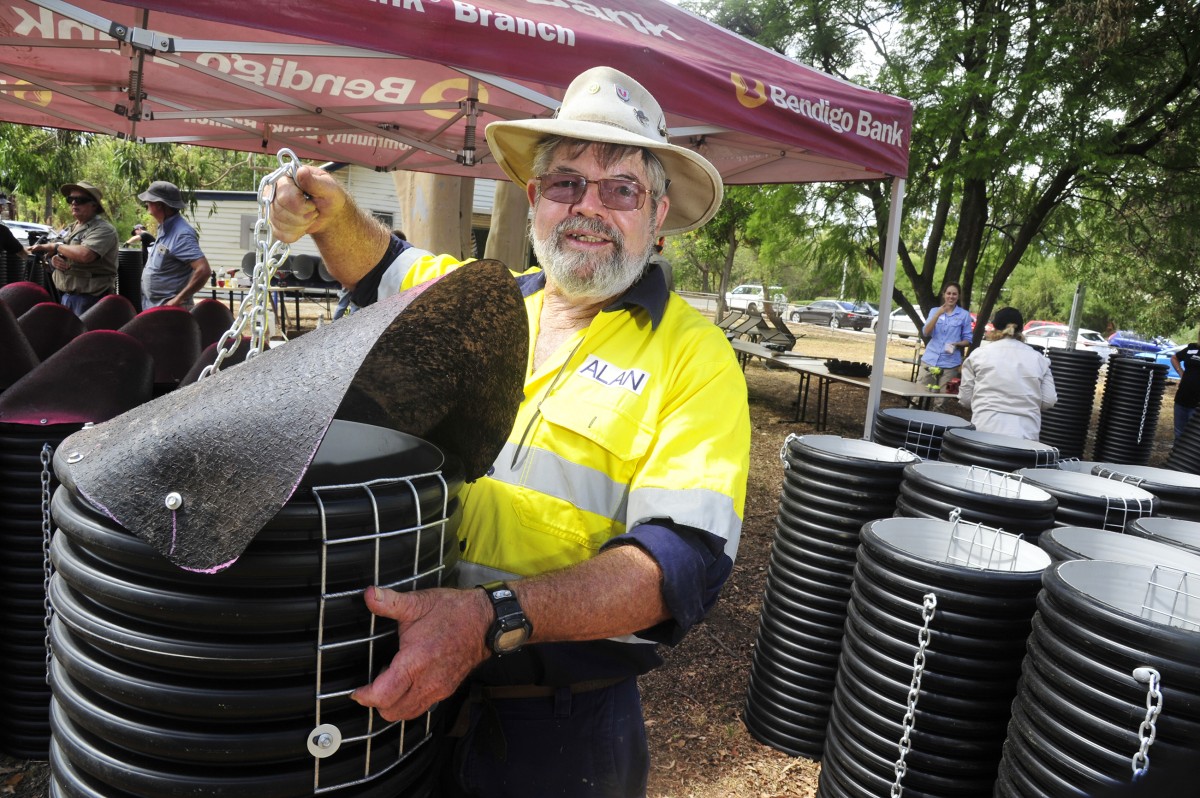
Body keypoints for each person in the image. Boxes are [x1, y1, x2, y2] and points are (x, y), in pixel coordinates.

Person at [269, 65, 749, 797]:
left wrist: (488, 620)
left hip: (558, 730)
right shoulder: (485, 303)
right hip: (405, 689)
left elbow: (679, 562)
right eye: (565, 184)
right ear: (534, 201)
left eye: (620, 189)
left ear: (656, 216)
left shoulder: (695, 356)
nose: (588, 207)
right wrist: (328, 212)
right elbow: (384, 269)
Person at [958, 306, 1057, 439]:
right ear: (1021, 330)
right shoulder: (1039, 360)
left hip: (983, 431)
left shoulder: (978, 355)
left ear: (994, 328)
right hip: (1026, 436)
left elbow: (965, 398)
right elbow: (1049, 400)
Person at [27, 181, 118, 316]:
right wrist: (53, 259)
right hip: (67, 297)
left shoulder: (103, 229)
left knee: (87, 337)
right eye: (71, 199)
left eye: (80, 200)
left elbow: (85, 255)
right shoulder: (71, 227)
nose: (74, 203)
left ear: (94, 205)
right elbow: (54, 251)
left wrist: (56, 247)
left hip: (92, 300)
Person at [136, 181, 212, 309]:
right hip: (157, 309)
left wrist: (177, 300)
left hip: (170, 313)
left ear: (160, 204)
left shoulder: (181, 234)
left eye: (149, 200)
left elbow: (203, 270)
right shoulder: (165, 228)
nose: (146, 203)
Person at [919, 281, 973, 394]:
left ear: (958, 296)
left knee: (941, 400)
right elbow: (926, 332)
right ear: (944, 294)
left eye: (954, 294)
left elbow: (968, 340)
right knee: (917, 396)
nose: (951, 296)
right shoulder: (934, 311)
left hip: (950, 363)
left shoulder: (964, 315)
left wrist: (957, 344)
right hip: (929, 360)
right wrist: (937, 314)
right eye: (948, 293)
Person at [1170, 328, 1200, 439]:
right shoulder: (1192, 348)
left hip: (1197, 404)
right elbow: (1174, 358)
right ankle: (1176, 456)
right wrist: (1181, 373)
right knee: (1179, 434)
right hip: (1182, 398)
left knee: (1193, 439)